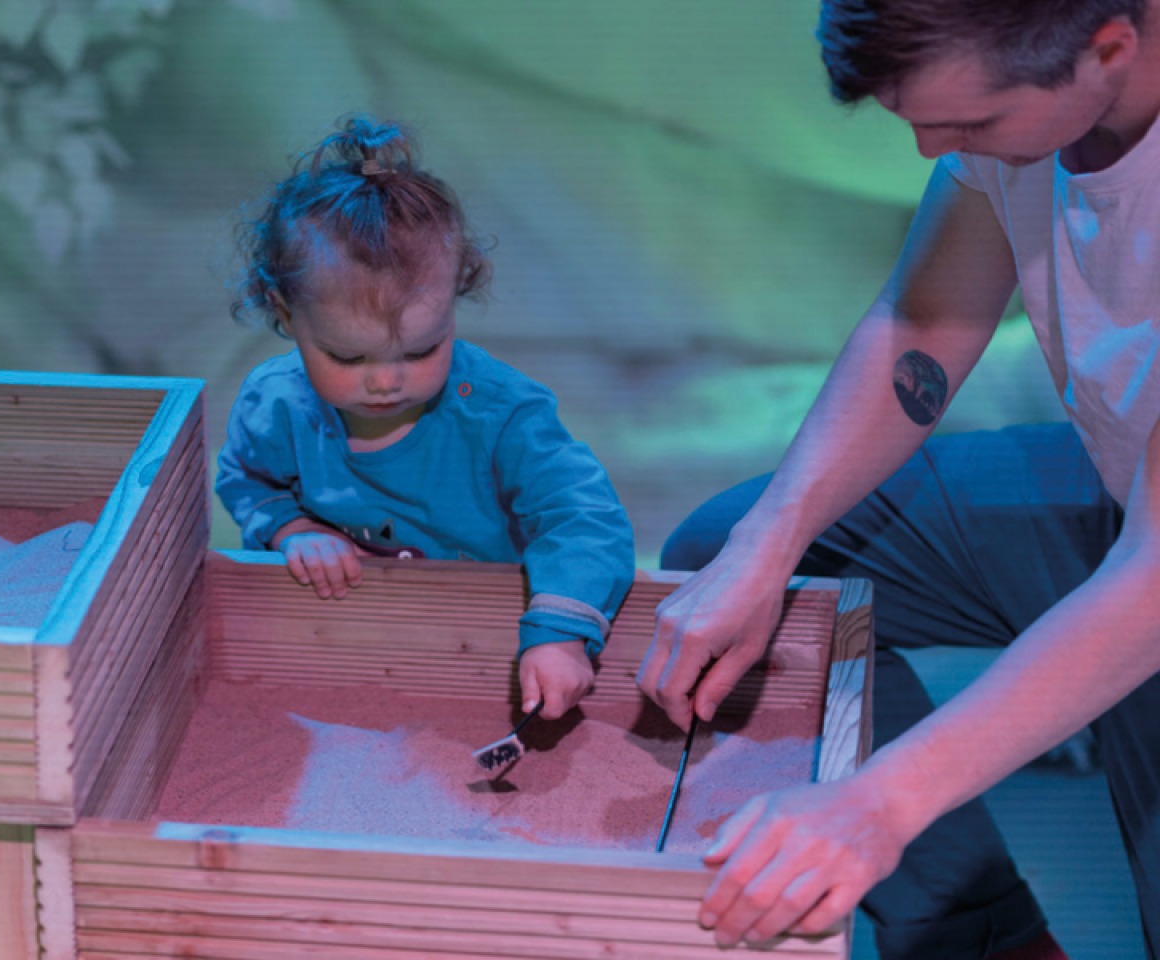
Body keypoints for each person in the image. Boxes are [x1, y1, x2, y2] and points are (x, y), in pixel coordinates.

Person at [636, 1, 1160, 957]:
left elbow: (1154, 580)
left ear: (1109, 50)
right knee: (740, 553)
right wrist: (769, 542)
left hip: (1152, 563)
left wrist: (880, 802)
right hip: (1123, 490)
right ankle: (988, 934)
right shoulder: (1020, 81)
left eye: (968, 127)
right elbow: (924, 325)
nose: (931, 150)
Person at [216, 115, 635, 721]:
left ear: (456, 300)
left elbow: (582, 517)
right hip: (348, 647)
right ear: (287, 314)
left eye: (420, 351)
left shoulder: (500, 413)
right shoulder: (277, 404)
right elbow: (248, 479)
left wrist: (561, 632)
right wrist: (292, 531)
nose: (386, 381)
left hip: (491, 645)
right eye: (347, 356)